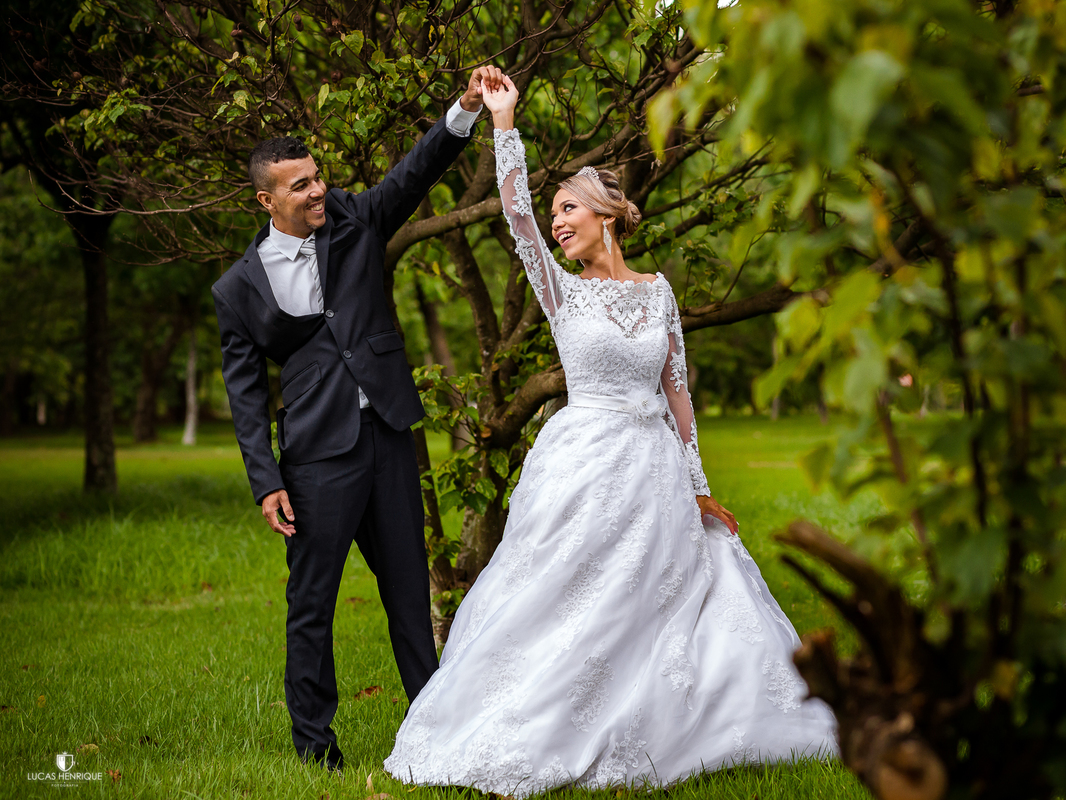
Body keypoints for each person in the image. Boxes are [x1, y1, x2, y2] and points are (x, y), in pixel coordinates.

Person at [383, 74, 836, 796]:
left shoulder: (659, 292)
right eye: (556, 212)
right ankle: (538, 718)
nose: (558, 223)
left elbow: (678, 393)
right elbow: (515, 214)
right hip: (583, 463)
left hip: (652, 464)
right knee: (564, 594)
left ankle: (668, 722)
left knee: (659, 599)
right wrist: (504, 123)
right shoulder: (561, 291)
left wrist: (700, 491)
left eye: (570, 210)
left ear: (608, 215)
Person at [211, 66, 506, 771]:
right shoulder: (237, 289)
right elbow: (245, 392)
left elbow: (413, 174)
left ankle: (435, 736)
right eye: (300, 185)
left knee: (409, 594)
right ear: (266, 198)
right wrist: (265, 481)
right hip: (315, 458)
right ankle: (316, 748)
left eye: (317, 177)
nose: (317, 191)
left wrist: (462, 110)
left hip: (389, 437)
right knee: (311, 606)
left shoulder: (353, 218)